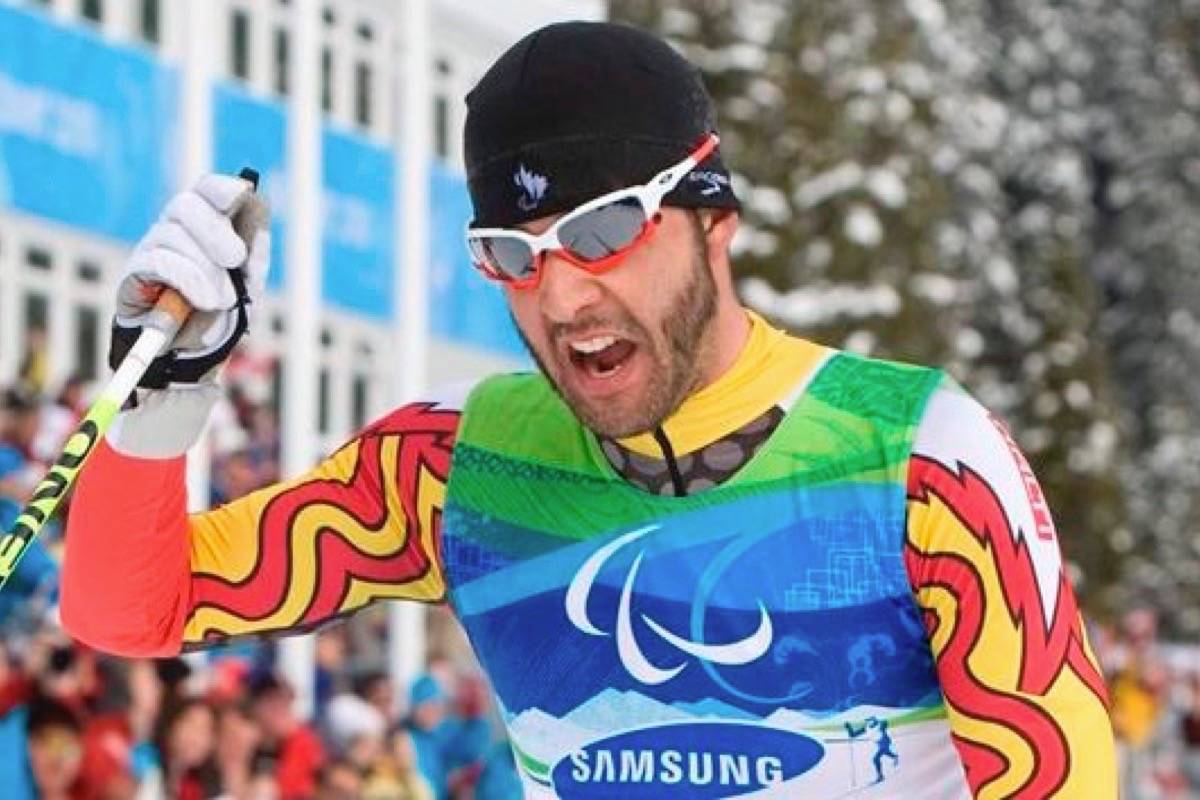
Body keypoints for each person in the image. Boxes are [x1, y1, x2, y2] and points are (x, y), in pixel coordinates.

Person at [61, 20, 1116, 799]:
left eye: (606, 231)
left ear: (715, 218)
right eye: (512, 256)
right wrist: (159, 391)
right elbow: (129, 609)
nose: (564, 296)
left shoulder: (916, 458)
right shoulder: (458, 465)